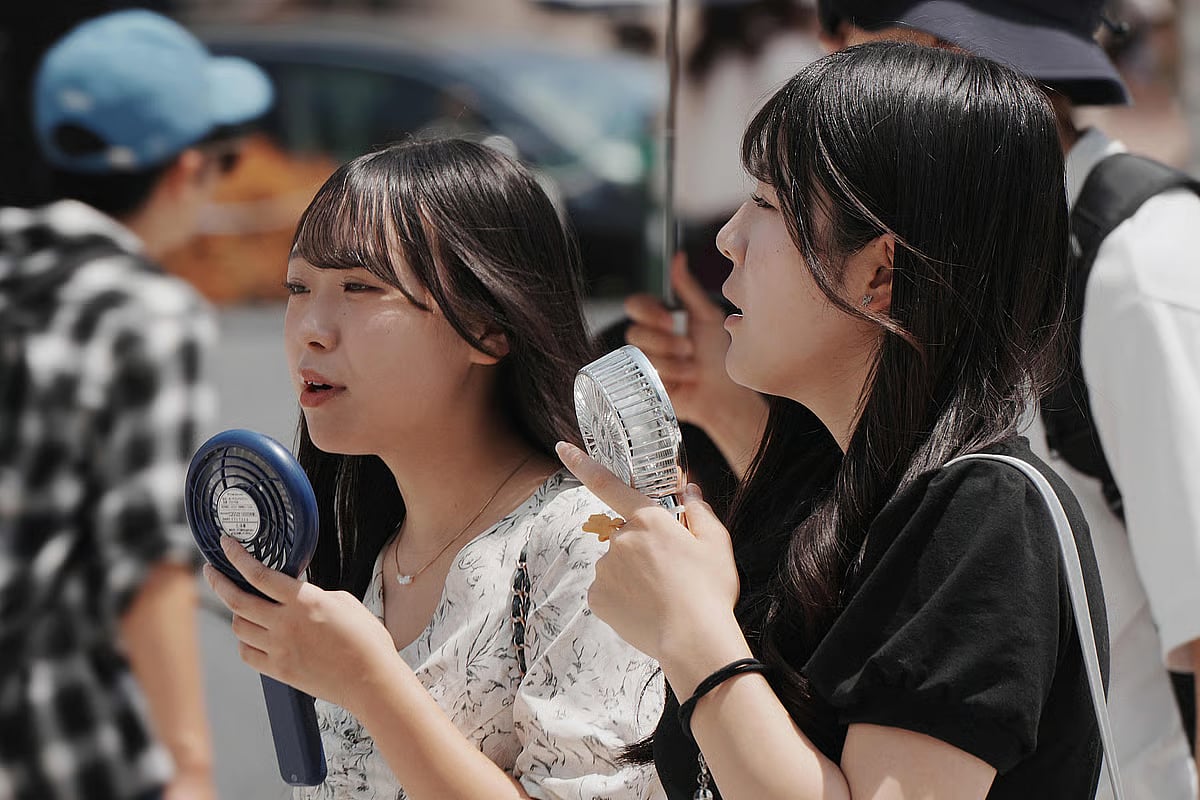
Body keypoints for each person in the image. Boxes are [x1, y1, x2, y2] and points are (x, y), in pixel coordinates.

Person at [634, 1, 1200, 796]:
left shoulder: (988, 498)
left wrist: (693, 636)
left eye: (767, 202)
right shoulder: (833, 475)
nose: (727, 238)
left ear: (881, 272)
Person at [203, 138, 664, 800]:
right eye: (298, 287)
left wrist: (370, 682)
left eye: (359, 288)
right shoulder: (364, 546)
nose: (310, 328)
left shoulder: (589, 539)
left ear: (487, 326)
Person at [0, 10, 272, 800]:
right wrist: (189, 767)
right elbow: (149, 561)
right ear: (187, 169)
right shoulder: (148, 313)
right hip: (55, 734)